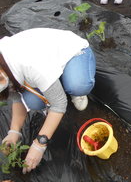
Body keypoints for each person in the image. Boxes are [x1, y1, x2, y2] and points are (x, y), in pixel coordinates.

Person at [0, 28, 96, 174]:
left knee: (77, 85)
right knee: (32, 103)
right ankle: (53, 83)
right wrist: (14, 131)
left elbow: (59, 104)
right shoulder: (5, 71)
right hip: (43, 68)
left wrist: (39, 144)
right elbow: (17, 97)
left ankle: (72, 87)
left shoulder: (28, 63)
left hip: (71, 53)